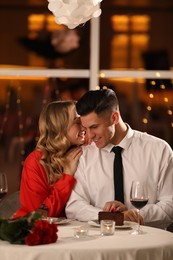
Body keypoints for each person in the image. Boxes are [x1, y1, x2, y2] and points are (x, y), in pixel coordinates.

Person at [66, 88, 173, 229]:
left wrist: (137, 215)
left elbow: (170, 204)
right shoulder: (85, 155)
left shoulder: (159, 150)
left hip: (147, 243)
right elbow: (74, 206)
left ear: (114, 118)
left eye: (94, 127)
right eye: (86, 128)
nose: (89, 136)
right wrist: (110, 217)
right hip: (99, 244)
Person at [13, 100, 85, 218]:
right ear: (59, 127)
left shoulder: (83, 152)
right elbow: (39, 215)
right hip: (34, 231)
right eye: (77, 121)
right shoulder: (35, 162)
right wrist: (67, 176)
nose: (84, 126)